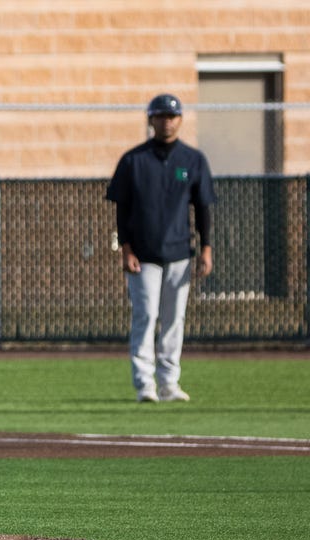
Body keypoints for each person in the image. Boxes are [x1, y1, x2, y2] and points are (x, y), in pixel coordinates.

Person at [106, 93, 215, 403]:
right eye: (161, 116)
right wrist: (126, 249)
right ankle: (145, 384)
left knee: (173, 319)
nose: (167, 121)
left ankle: (169, 381)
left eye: (172, 116)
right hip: (143, 254)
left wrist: (206, 248)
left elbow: (203, 207)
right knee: (145, 315)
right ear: (151, 120)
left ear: (180, 120)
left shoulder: (192, 160)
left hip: (179, 252)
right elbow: (122, 209)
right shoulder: (133, 160)